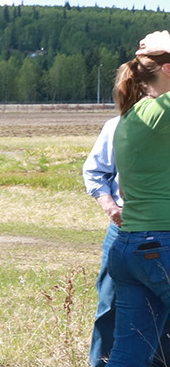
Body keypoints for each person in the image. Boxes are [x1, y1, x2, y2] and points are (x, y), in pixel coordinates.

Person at [84, 63, 168, 367]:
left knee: (131, 343)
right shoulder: (146, 118)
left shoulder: (127, 120)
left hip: (133, 239)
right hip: (148, 233)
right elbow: (95, 172)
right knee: (111, 312)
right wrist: (111, 207)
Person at [107, 30, 170, 365]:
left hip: (130, 246)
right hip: (163, 243)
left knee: (129, 353)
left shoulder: (132, 116)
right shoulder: (160, 112)